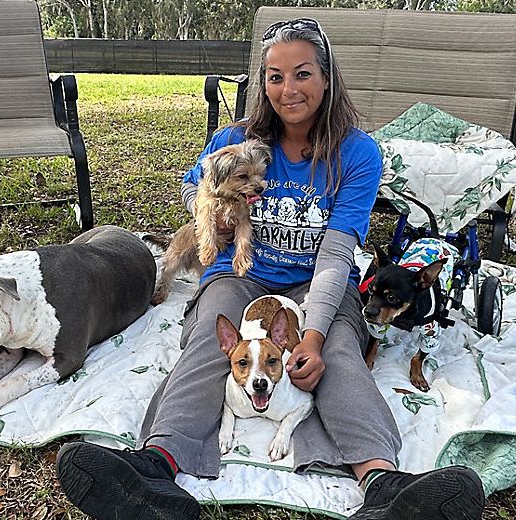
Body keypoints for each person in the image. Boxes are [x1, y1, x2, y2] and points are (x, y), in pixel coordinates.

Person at [56, 17, 485, 520]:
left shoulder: (357, 153)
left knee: (337, 355)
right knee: (212, 343)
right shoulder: (236, 140)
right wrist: (214, 213)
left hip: (317, 280)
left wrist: (314, 337)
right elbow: (193, 188)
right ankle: (154, 469)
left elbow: (336, 253)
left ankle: (384, 486)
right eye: (275, 76)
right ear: (262, 83)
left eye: (302, 74)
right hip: (241, 272)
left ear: (327, 77)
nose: (288, 89)